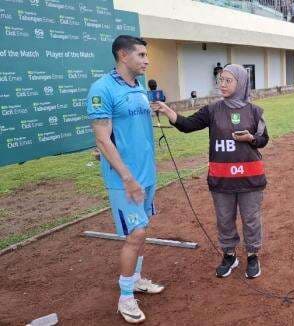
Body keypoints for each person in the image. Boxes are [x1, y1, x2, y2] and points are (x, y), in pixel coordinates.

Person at [151, 64, 269, 279]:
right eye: (220, 80)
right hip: (222, 179)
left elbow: (263, 140)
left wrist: (250, 139)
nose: (222, 84)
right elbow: (187, 125)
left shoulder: (254, 111)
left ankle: (252, 255)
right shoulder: (212, 110)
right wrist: (168, 110)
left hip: (250, 178)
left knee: (251, 219)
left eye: (228, 80)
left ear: (241, 82)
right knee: (224, 219)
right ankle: (229, 254)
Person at [87, 35, 164, 324]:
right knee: (137, 234)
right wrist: (128, 177)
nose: (146, 60)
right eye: (141, 55)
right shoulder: (102, 89)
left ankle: (137, 278)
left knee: (142, 228)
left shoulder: (139, 86)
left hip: (147, 174)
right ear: (123, 55)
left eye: (147, 55)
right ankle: (125, 297)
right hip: (125, 179)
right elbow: (102, 139)